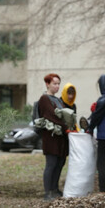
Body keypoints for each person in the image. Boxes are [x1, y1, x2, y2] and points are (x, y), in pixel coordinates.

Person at [38, 73, 69, 201]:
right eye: (54, 83)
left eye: (58, 84)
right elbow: (51, 115)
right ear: (47, 84)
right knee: (51, 164)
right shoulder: (45, 98)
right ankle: (48, 192)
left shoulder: (59, 100)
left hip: (61, 137)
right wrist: (65, 125)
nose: (57, 86)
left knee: (59, 163)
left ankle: (55, 189)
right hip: (51, 137)